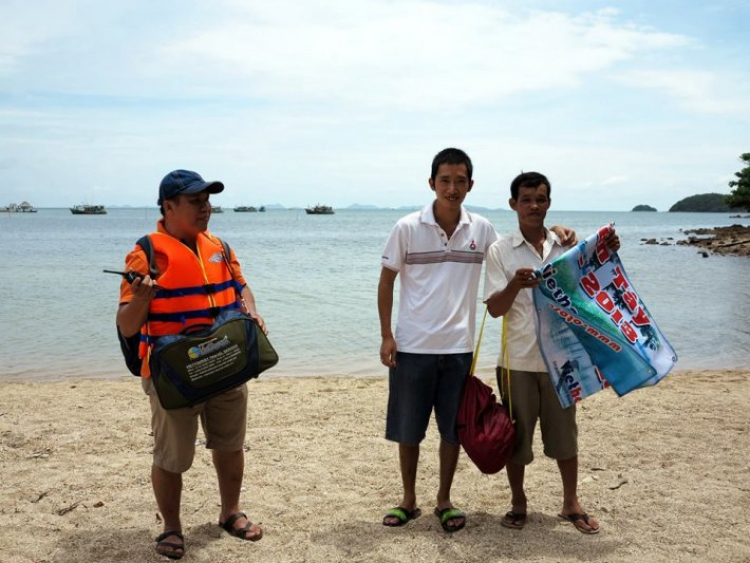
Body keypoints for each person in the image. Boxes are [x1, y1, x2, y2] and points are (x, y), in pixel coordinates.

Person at [378, 150, 575, 533]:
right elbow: (387, 282)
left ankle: (444, 500)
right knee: (409, 430)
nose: (453, 188)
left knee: (454, 430)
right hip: (411, 345)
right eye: (445, 180)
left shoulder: (481, 229)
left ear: (470, 184)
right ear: (431, 182)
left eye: (461, 181)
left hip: (458, 349)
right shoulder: (406, 227)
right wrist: (387, 335)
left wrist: (560, 232)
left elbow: (521, 242)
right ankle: (408, 500)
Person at [117, 170, 267, 559]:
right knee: (171, 457)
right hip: (173, 376)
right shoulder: (145, 253)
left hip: (226, 364)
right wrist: (143, 298)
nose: (206, 209)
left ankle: (230, 512)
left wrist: (252, 311)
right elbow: (127, 325)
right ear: (168, 206)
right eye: (196, 202)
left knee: (230, 445)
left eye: (208, 201)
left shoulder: (220, 246)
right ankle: (171, 528)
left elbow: (241, 286)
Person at [483, 171, 619, 535]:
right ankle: (518, 501)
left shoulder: (564, 246)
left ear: (549, 203)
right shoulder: (499, 251)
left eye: (540, 199)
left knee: (565, 436)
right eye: (526, 199)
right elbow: (495, 309)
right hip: (517, 362)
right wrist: (515, 283)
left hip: (563, 359)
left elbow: (591, 283)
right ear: (513, 204)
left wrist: (608, 249)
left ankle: (570, 503)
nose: (533, 206)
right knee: (516, 439)